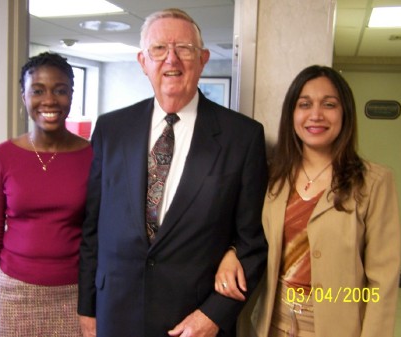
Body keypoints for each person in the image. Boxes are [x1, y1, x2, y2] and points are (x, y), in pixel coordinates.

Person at [77, 8, 268, 337]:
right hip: (115, 315)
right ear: (142, 62)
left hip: (193, 321)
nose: (171, 59)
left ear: (203, 58)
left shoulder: (242, 137)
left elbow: (252, 242)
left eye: (184, 49)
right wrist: (88, 308)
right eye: (159, 49)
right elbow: (92, 229)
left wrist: (214, 316)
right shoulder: (111, 130)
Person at [215, 65, 401, 337]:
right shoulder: (270, 175)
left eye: (329, 104)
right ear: (292, 113)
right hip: (269, 324)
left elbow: (382, 282)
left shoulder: (374, 182)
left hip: (337, 327)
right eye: (305, 104)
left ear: (345, 113)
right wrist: (231, 252)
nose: (316, 115)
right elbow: (247, 232)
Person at [0, 52, 93, 337]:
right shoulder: (0, 158)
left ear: (71, 96)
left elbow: (100, 234)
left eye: (60, 90)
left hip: (76, 297)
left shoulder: (94, 155)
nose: (49, 100)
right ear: (23, 96)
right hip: (13, 296)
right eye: (37, 90)